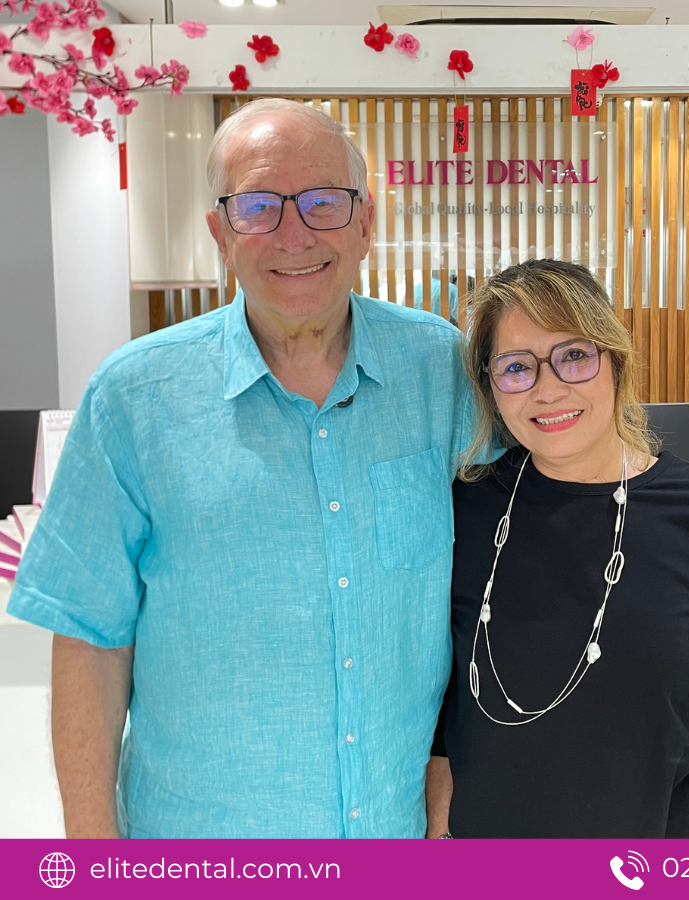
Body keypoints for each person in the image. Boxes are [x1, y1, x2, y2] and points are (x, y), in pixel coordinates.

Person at [7, 99, 478, 838]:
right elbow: (90, 640)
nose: (295, 233)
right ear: (220, 235)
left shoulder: (442, 371)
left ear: (366, 223)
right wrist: (94, 859)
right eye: (257, 206)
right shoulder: (134, 398)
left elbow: (510, 579)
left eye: (324, 201)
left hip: (399, 844)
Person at [426, 259, 689, 839]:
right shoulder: (463, 513)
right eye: (516, 367)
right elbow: (434, 685)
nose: (548, 388)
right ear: (490, 387)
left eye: (574, 355)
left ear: (616, 361)